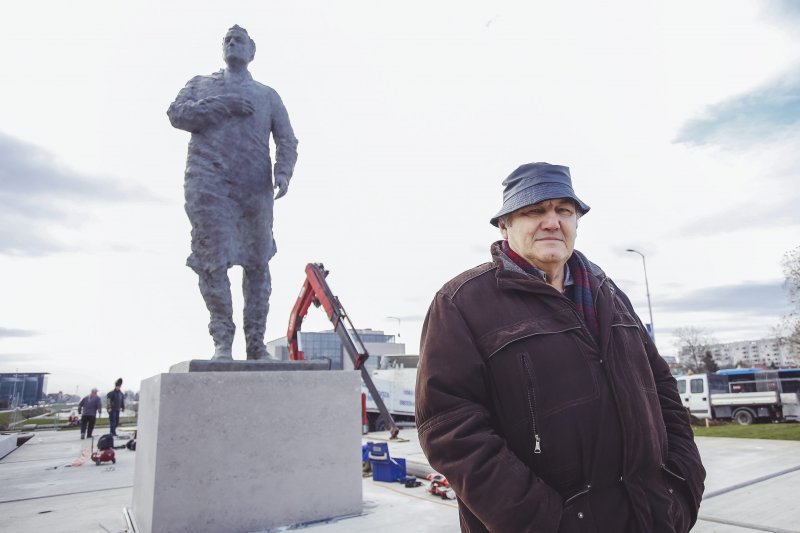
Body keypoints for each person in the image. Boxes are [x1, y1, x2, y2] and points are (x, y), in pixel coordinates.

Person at [415, 162, 705, 532]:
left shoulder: (610, 295)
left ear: (576, 222)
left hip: (648, 519)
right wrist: (547, 523)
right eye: (534, 211)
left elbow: (662, 391)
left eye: (563, 211)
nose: (551, 222)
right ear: (505, 226)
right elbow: (450, 428)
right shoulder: (462, 302)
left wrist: (683, 485)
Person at [167, 24, 298, 360]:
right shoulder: (201, 85)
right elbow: (177, 114)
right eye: (227, 40)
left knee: (257, 263)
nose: (232, 43)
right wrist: (223, 104)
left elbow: (286, 139)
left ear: (252, 51)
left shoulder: (267, 95)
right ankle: (222, 340)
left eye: (239, 40)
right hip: (208, 183)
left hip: (254, 187)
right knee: (211, 261)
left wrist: (282, 173)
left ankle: (256, 343)